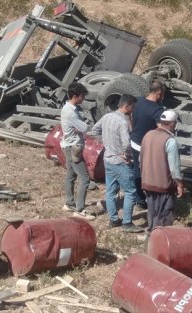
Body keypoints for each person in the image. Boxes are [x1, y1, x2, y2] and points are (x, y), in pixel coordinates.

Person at [91, 94, 143, 233]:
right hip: (120, 162)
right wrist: (126, 155)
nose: (133, 110)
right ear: (126, 106)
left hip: (108, 159)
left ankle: (113, 220)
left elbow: (94, 130)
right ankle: (127, 222)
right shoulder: (122, 122)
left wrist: (105, 143)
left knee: (111, 192)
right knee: (131, 192)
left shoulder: (107, 116)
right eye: (133, 107)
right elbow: (127, 144)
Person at [140, 109, 185, 231]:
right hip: (163, 185)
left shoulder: (148, 135)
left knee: (152, 211)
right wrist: (180, 185)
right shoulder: (170, 141)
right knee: (164, 214)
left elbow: (141, 159)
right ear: (171, 123)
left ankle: (151, 235)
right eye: (175, 123)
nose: (176, 125)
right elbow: (174, 168)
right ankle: (162, 240)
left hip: (147, 182)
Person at [60, 82, 95, 220]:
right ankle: (80, 210)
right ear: (75, 96)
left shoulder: (68, 108)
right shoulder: (71, 112)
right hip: (73, 148)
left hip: (67, 146)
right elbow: (85, 128)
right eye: (82, 96)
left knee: (71, 175)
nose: (83, 99)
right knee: (85, 178)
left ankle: (69, 203)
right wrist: (92, 126)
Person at [130, 79, 165, 209]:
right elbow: (162, 130)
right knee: (145, 172)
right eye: (163, 95)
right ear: (159, 93)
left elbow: (130, 116)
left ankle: (138, 197)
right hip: (145, 147)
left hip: (134, 141)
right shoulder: (157, 110)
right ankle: (142, 199)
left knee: (135, 169)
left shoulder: (138, 101)